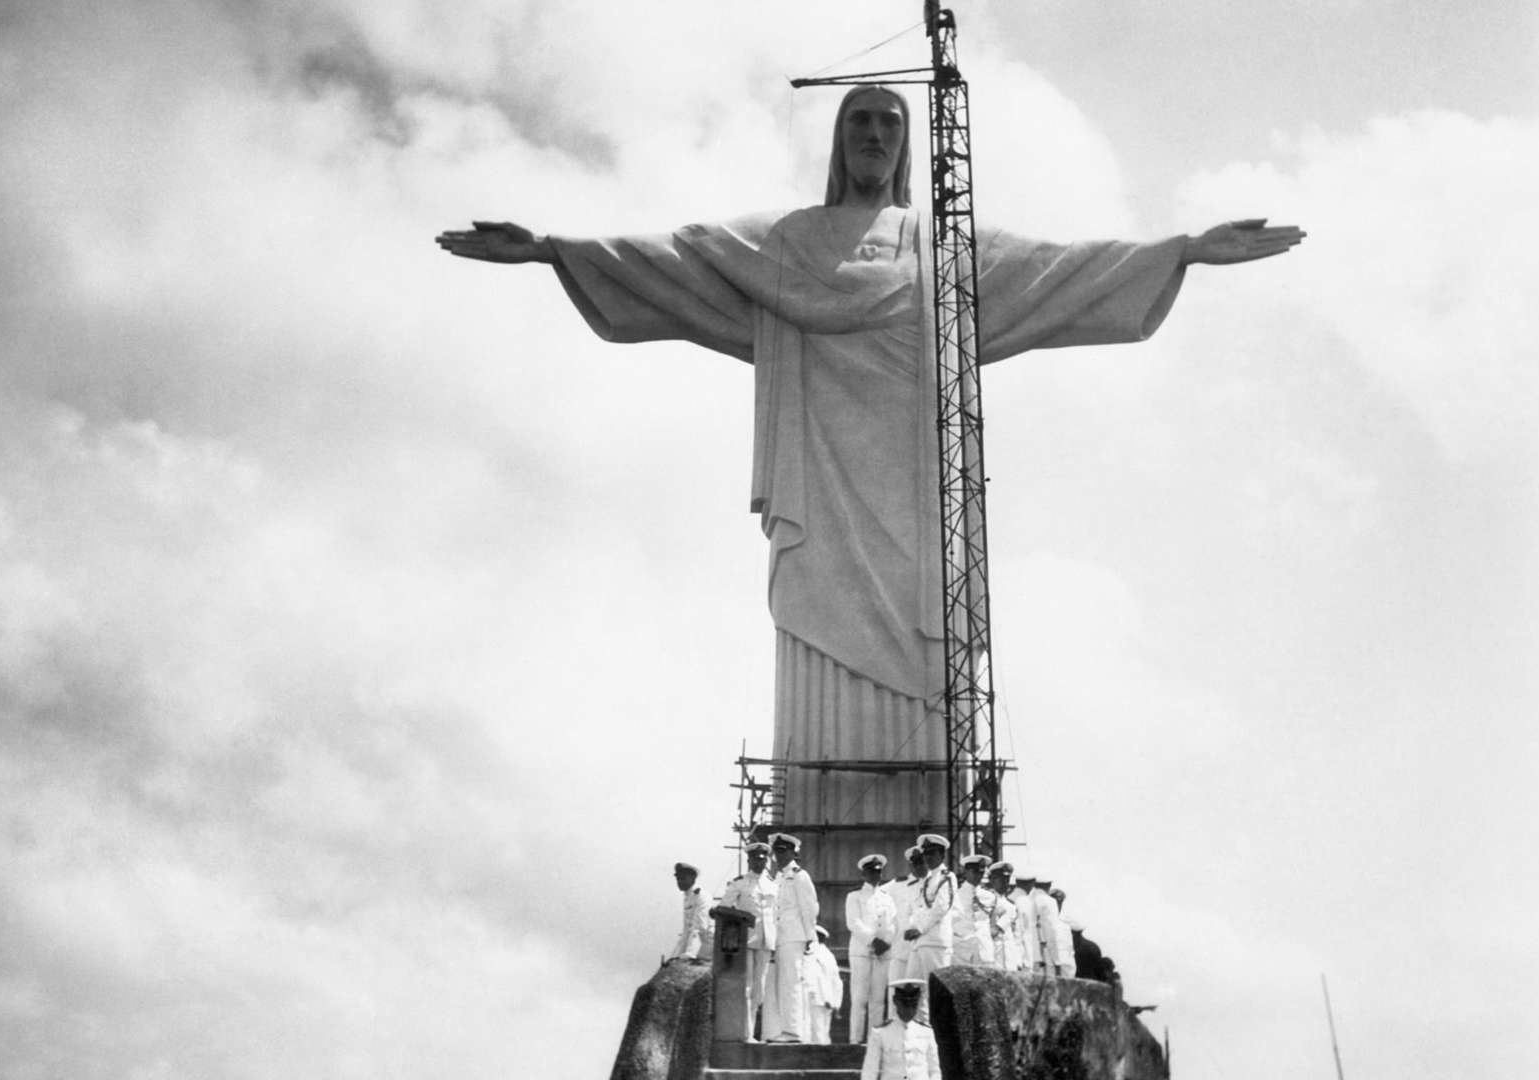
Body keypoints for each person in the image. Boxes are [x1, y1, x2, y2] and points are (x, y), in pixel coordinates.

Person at [436, 88, 1306, 811]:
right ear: (836, 137)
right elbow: (674, 261)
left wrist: (1183, 250)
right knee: (816, 626)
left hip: (918, 491)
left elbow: (1063, 268)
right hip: (820, 477)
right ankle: (816, 824)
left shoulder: (949, 252)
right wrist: (554, 250)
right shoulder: (779, 245)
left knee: (930, 646)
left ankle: (922, 822)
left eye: (890, 124)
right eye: (859, 121)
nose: (875, 136)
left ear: (907, 144)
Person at [719, 840, 779, 1039]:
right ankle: (746, 1033)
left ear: (766, 860)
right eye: (755, 859)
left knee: (759, 990)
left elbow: (777, 913)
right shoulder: (740, 883)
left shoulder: (773, 884)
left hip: (766, 941)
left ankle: (751, 1033)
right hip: (747, 940)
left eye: (762, 859)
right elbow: (725, 908)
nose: (759, 863)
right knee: (747, 986)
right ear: (749, 860)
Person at [769, 833, 819, 1043]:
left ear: (793, 853)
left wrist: (810, 936)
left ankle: (793, 1032)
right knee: (782, 984)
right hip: (780, 937)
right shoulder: (779, 877)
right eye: (777, 851)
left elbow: (809, 907)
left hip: (795, 935)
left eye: (783, 851)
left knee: (792, 983)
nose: (779, 856)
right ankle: (786, 1030)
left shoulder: (800, 875)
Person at [846, 853, 898, 1042]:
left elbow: (893, 923)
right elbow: (853, 922)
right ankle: (855, 1040)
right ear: (863, 875)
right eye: (870, 872)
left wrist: (886, 942)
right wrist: (873, 941)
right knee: (859, 999)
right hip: (861, 952)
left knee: (878, 1000)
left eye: (877, 872)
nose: (875, 876)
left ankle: (874, 1040)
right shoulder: (854, 896)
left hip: (882, 953)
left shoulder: (887, 898)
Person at [903, 834, 954, 1020]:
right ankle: (921, 1028)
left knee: (937, 991)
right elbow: (919, 909)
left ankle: (938, 1036)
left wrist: (919, 928)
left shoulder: (947, 877)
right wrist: (912, 927)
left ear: (942, 855)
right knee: (912, 988)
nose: (928, 858)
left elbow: (941, 907)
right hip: (920, 943)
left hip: (935, 942)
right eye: (926, 854)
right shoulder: (927, 880)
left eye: (932, 854)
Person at [860, 978, 940, 1080]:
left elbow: (934, 1070)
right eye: (905, 1005)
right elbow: (870, 1071)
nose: (909, 1010)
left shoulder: (926, 1032)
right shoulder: (880, 1033)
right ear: (896, 1002)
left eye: (913, 1005)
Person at [883, 846, 926, 1016]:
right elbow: (877, 902)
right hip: (900, 949)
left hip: (923, 949)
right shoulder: (896, 885)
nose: (919, 867)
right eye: (915, 863)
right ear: (910, 865)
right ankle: (893, 1029)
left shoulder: (935, 884)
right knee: (895, 991)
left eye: (921, 862)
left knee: (921, 994)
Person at [951, 854, 996, 967]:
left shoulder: (989, 896)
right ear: (966, 871)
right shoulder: (955, 895)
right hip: (962, 951)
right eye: (975, 872)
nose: (978, 876)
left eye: (981, 872)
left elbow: (992, 922)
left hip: (984, 949)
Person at [805, 925, 844, 1044]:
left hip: (815, 998)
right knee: (823, 1035)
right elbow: (837, 982)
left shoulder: (811, 953)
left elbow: (812, 977)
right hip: (828, 1001)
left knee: (814, 1035)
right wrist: (836, 1003)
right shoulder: (829, 955)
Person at [671, 862, 714, 962]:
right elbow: (687, 930)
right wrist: (678, 955)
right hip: (695, 944)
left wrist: (690, 953)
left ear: (693, 878)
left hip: (705, 946)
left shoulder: (701, 896)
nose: (680, 882)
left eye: (683, 878)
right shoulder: (687, 897)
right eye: (678, 879)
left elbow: (700, 927)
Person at [985, 861, 1020, 971]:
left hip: (1010, 956)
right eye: (1001, 879)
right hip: (993, 954)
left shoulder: (1011, 904)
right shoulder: (986, 900)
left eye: (1007, 879)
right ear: (992, 880)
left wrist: (1018, 959)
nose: (1005, 883)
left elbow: (1016, 935)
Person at [1049, 886, 1077, 979]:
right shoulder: (1044, 921)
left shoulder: (1065, 926)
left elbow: (1070, 951)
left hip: (1066, 967)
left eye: (1060, 903)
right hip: (1050, 967)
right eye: (1057, 902)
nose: (1058, 905)